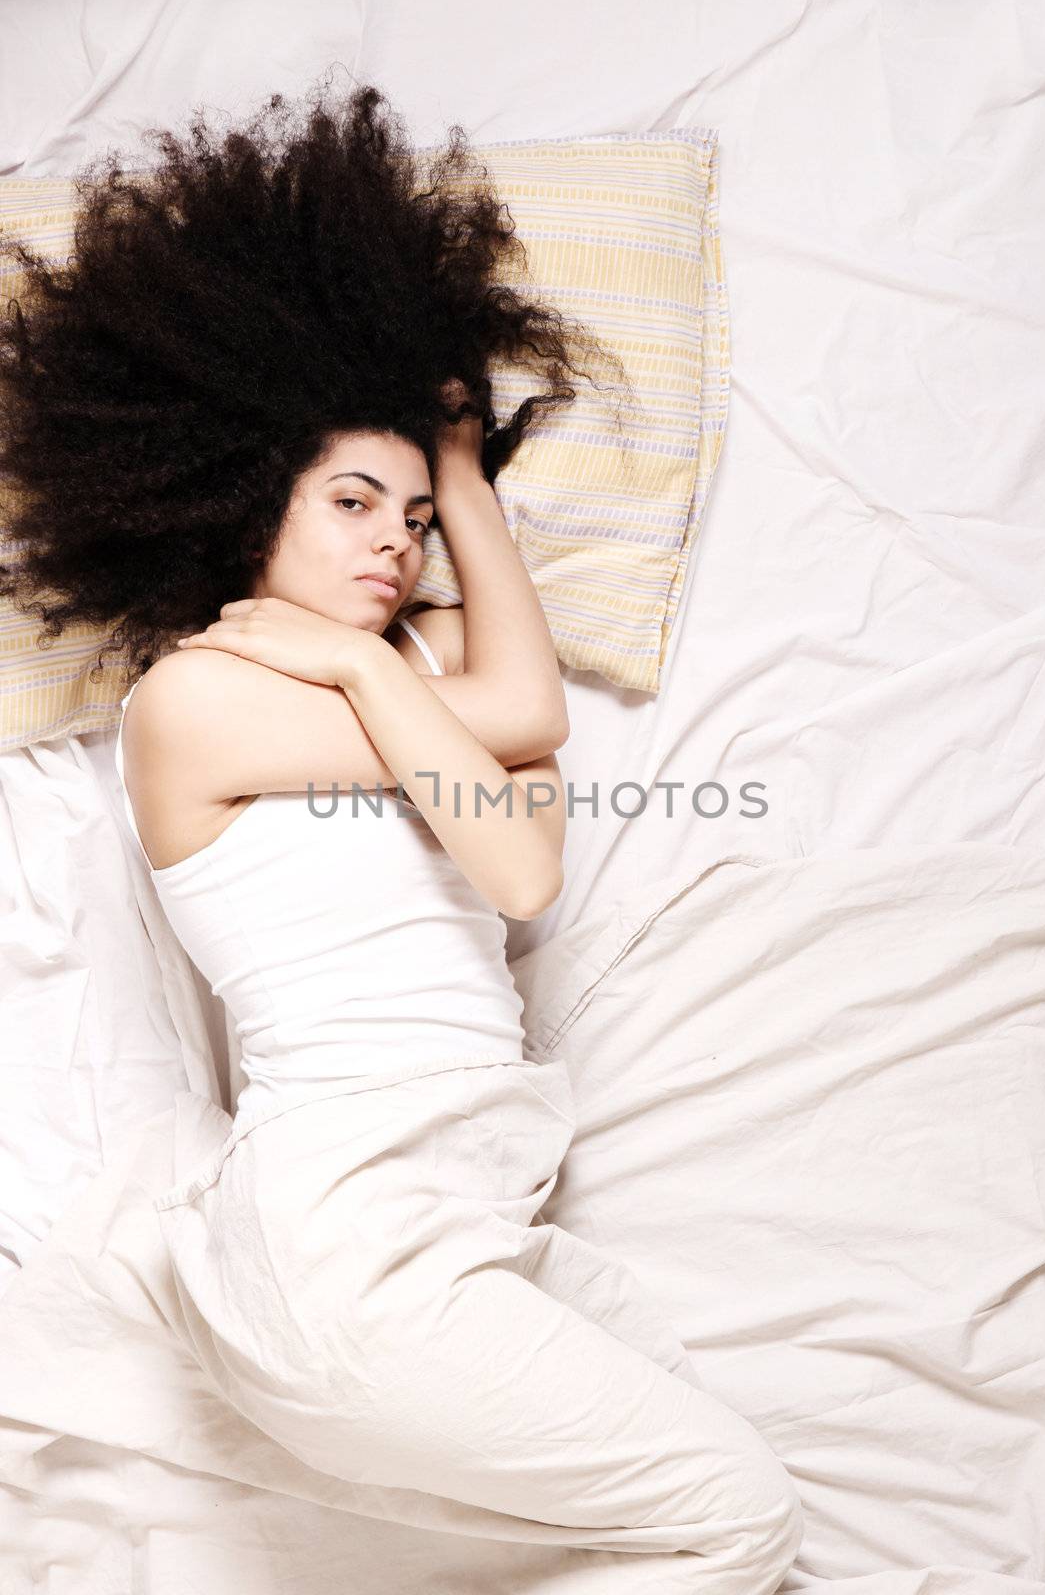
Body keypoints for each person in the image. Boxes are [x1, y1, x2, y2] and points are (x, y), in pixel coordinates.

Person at [0, 82, 804, 1590]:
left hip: (454, 1211)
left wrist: (460, 474)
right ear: (250, 506)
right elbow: (520, 859)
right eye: (352, 502)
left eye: (413, 519)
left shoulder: (420, 685)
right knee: (740, 1518)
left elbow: (520, 709)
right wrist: (374, 663)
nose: (393, 539)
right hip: (346, 1225)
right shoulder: (197, 700)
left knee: (676, 1469)